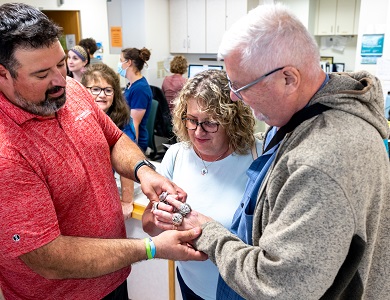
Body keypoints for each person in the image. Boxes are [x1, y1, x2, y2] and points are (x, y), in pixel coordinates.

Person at [151, 3, 390, 300]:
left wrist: (207, 231)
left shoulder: (323, 160)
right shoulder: (299, 118)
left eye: (242, 86)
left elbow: (278, 286)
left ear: (289, 78)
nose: (235, 97)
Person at [0, 3, 207, 299]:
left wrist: (143, 170)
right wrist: (151, 248)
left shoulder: (74, 90)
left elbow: (113, 139)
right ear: (3, 74)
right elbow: (47, 257)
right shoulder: (6, 153)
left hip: (111, 279)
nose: (60, 81)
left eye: (60, 64)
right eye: (42, 74)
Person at [143, 69, 262, 300]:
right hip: (190, 284)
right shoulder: (177, 155)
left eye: (209, 123)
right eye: (192, 120)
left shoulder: (255, 158)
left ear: (231, 119)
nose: (198, 131)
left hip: (238, 291)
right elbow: (148, 225)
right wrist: (160, 218)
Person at [81, 63, 137, 219]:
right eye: (95, 89)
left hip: (102, 190)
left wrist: (127, 201)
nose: (102, 95)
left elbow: (127, 161)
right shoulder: (71, 118)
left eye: (108, 90)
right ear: (83, 91)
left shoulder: (123, 122)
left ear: (115, 94)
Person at [119, 47, 153, 152]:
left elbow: (135, 123)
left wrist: (134, 151)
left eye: (121, 61)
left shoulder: (140, 89)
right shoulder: (131, 85)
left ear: (128, 62)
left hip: (135, 141)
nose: (119, 64)